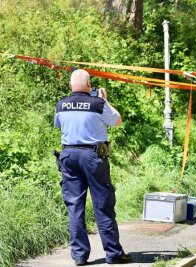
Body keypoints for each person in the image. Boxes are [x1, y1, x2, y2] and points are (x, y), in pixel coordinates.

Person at [54, 69, 131, 266]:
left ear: (70, 86)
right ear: (89, 85)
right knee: (103, 205)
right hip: (93, 156)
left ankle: (79, 256)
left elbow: (58, 125)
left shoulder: (61, 104)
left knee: (75, 206)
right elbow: (117, 120)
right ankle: (113, 254)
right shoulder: (97, 103)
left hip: (68, 156)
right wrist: (105, 100)